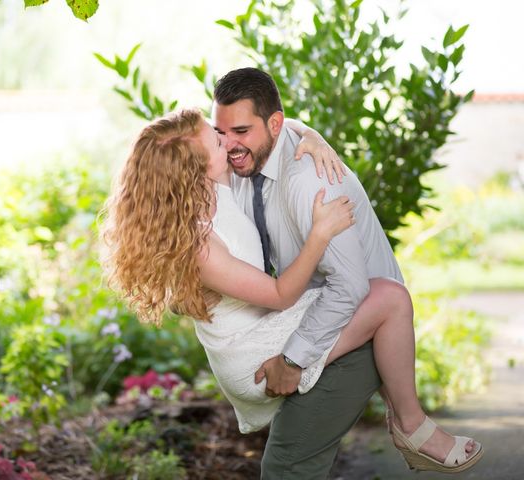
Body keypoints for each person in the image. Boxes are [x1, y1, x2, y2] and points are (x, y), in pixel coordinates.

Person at [103, 107, 482, 478]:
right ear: (196, 170)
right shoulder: (199, 244)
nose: (226, 140)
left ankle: (406, 420)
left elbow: (262, 135)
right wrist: (320, 234)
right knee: (390, 300)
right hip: (250, 357)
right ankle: (410, 424)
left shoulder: (219, 188)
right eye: (217, 140)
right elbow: (281, 294)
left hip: (265, 328)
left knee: (379, 299)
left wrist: (308, 135)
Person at [211, 67, 483, 478]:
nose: (229, 145)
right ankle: (412, 427)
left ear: (274, 124)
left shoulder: (310, 181)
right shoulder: (249, 164)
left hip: (360, 329)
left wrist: (293, 360)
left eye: (241, 132)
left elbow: (351, 290)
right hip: (313, 321)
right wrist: (308, 132)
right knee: (288, 461)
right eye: (222, 132)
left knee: (288, 463)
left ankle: (413, 427)